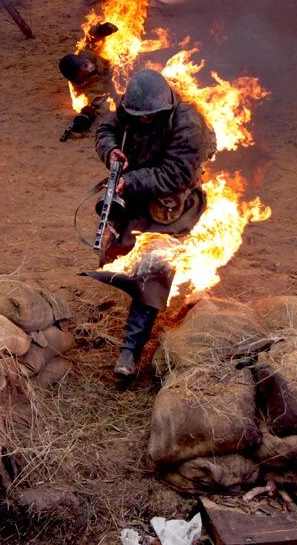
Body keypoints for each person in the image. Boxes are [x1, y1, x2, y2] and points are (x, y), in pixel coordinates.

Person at [89, 69, 218, 377]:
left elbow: (176, 176)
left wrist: (129, 180)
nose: (143, 121)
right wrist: (111, 152)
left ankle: (130, 353)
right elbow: (106, 129)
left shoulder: (189, 124)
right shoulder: (131, 108)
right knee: (117, 250)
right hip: (136, 193)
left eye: (149, 117)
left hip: (173, 203)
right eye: (137, 116)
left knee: (155, 268)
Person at [59, 21, 119, 140]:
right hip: (119, 81)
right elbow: (95, 105)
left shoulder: (86, 56)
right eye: (85, 67)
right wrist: (83, 120)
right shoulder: (87, 90)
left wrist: (101, 31)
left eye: (86, 62)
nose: (89, 64)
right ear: (78, 77)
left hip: (121, 66)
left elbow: (90, 39)